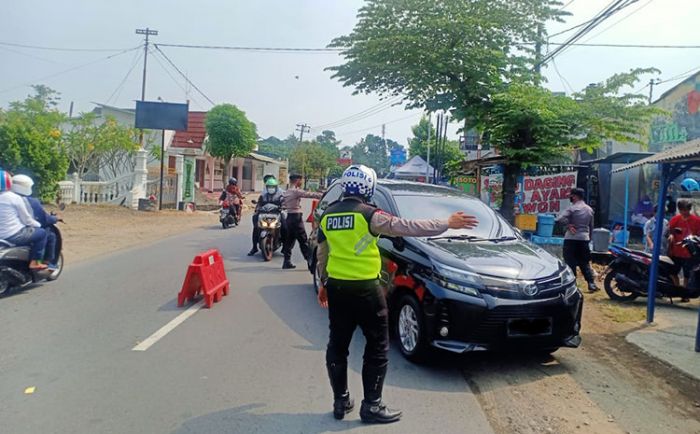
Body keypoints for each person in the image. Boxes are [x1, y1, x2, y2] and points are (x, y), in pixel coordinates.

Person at [316, 164, 479, 424]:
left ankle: (341, 400)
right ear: (368, 187)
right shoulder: (370, 215)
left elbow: (322, 254)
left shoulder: (327, 216)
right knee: (378, 346)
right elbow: (408, 227)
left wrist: (324, 283)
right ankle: (372, 406)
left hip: (337, 288)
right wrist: (447, 223)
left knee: (338, 344)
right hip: (366, 290)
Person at [0, 171, 48, 270]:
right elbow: (26, 220)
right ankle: (35, 262)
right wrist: (38, 225)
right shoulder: (14, 198)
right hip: (14, 234)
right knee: (42, 233)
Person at [11, 175, 61, 270]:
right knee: (48, 233)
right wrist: (55, 218)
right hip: (20, 231)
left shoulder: (5, 197)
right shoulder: (31, 201)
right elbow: (44, 219)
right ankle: (43, 261)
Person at [556, 187, 598, 292]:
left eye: (571, 195)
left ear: (574, 196)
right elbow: (591, 226)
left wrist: (569, 225)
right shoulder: (589, 209)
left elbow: (559, 219)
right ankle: (591, 284)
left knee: (570, 262)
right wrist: (589, 239)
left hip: (571, 238)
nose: (570, 197)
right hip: (584, 238)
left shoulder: (572, 208)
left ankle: (573, 284)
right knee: (584, 262)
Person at [280, 174, 324, 269]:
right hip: (296, 218)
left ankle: (286, 262)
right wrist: (324, 195)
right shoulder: (296, 191)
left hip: (289, 217)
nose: (302, 182)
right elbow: (309, 194)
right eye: (301, 180)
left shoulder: (287, 191)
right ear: (297, 181)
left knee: (289, 241)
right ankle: (310, 263)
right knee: (303, 241)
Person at [667, 199, 700, 299]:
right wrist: (671, 236)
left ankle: (685, 294)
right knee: (673, 272)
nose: (684, 212)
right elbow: (670, 231)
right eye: (682, 210)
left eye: (686, 210)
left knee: (687, 275)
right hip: (676, 251)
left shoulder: (696, 220)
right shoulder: (675, 219)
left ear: (689, 210)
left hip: (690, 252)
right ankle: (677, 290)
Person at [247, 177, 284, 256]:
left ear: (276, 187)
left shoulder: (280, 195)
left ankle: (285, 247)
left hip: (276, 214)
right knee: (255, 226)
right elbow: (259, 204)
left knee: (285, 224)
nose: (271, 189)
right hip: (264, 214)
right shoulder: (263, 195)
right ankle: (254, 247)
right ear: (266, 187)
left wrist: (283, 206)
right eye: (269, 187)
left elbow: (283, 203)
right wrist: (257, 209)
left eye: (273, 187)